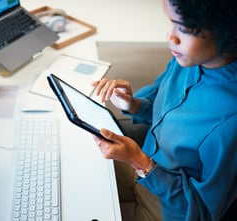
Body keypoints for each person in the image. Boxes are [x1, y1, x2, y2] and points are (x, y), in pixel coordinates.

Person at [92, 0, 237, 220]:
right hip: (140, 167)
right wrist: (133, 104)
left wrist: (140, 162)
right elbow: (164, 110)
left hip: (167, 209)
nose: (170, 37)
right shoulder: (188, 59)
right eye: (171, 23)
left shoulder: (230, 122)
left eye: (184, 29)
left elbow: (203, 213)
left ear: (227, 30)